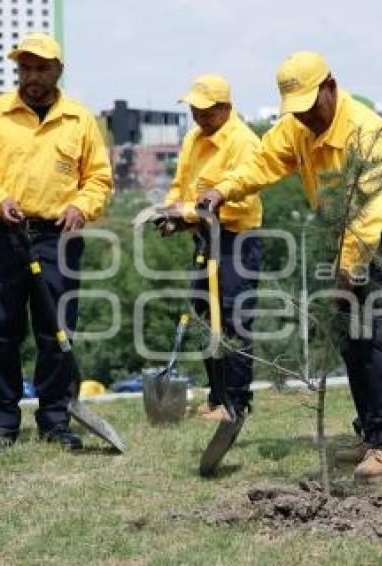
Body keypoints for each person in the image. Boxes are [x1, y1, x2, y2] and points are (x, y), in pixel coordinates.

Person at [199, 51, 382, 482]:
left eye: (310, 106)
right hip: (343, 239)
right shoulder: (296, 128)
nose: (304, 117)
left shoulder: (367, 130)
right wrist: (222, 190)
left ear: (330, 86)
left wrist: (348, 273)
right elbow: (261, 163)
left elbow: (368, 213)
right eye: (296, 110)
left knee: (379, 335)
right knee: (352, 341)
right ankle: (377, 430)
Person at [0, 33, 113, 451]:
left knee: (56, 331)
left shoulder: (80, 120)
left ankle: (55, 420)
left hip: (57, 237)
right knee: (0, 330)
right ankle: (3, 422)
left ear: (58, 70)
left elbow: (99, 178)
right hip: (1, 236)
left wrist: (82, 206)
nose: (32, 76)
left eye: (41, 68)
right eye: (25, 68)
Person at [144, 75, 263, 420]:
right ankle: (217, 397)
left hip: (237, 240)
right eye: (195, 110)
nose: (199, 118)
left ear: (226, 108)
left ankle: (236, 402)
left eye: (207, 112)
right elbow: (182, 185)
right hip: (204, 237)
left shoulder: (243, 142)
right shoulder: (194, 139)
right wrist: (171, 212)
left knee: (232, 320)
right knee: (202, 317)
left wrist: (187, 214)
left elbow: (240, 203)